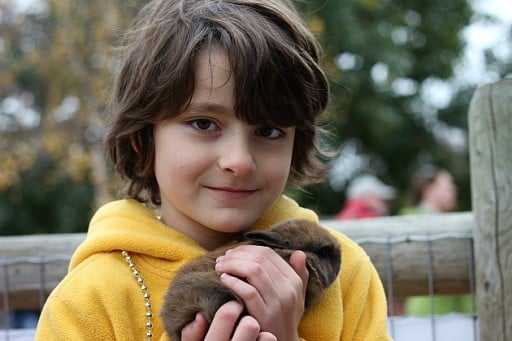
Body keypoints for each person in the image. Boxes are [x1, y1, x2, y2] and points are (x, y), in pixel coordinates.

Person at [35, 0, 391, 339]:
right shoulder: (88, 301)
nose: (239, 161)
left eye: (268, 131)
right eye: (204, 124)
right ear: (142, 138)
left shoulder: (343, 276)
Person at [400, 165, 472, 316]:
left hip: (456, 315)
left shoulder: (453, 224)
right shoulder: (409, 223)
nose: (454, 189)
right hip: (428, 316)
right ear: (428, 189)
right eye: (448, 184)